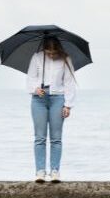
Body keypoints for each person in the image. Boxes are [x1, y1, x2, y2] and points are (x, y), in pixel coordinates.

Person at [26, 37, 77, 183]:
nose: (52, 55)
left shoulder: (66, 59)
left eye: (54, 52)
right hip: (38, 99)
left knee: (56, 138)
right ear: (45, 49)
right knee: (40, 138)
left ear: (58, 49)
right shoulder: (37, 57)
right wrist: (35, 89)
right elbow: (30, 78)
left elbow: (69, 83)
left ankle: (55, 171)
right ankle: (40, 172)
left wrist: (68, 105)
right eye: (49, 52)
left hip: (58, 98)